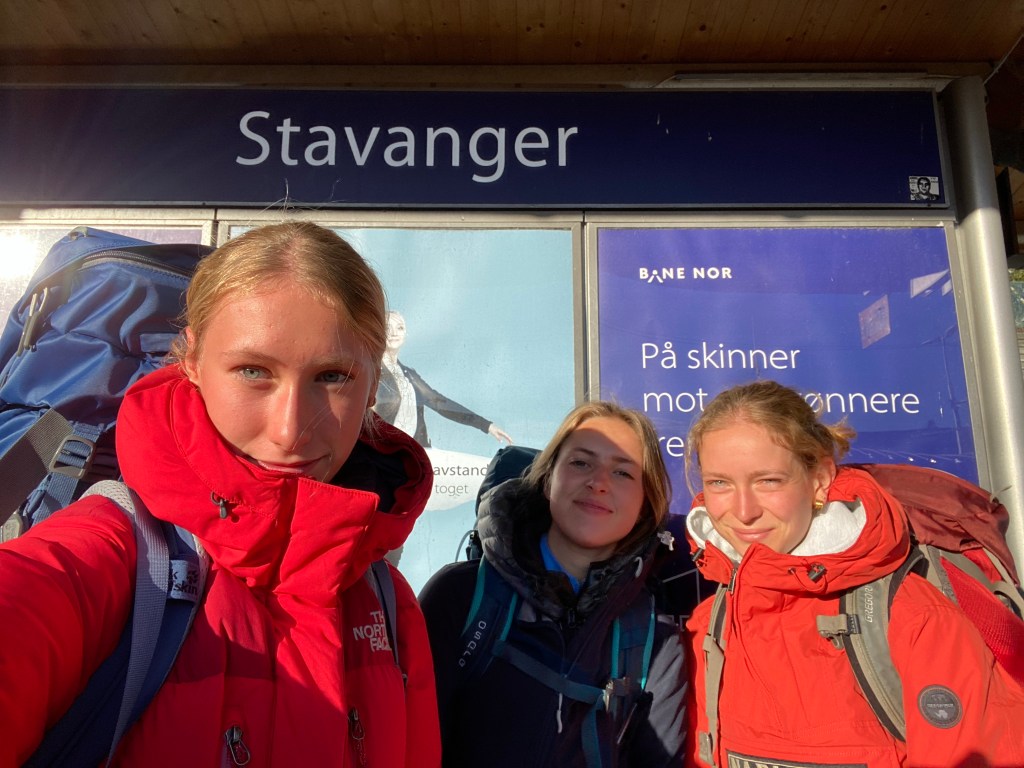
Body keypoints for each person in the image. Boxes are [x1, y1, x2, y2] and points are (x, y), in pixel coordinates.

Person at [0, 222, 441, 766]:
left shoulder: (388, 603)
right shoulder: (113, 553)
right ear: (191, 362)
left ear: (373, 384)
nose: (289, 431)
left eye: (332, 377)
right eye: (253, 371)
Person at [682, 379, 1024, 768]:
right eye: (720, 483)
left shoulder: (912, 616)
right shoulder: (710, 624)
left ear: (819, 480)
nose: (744, 512)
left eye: (768, 481)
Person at [419, 402, 687, 768]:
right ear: (547, 480)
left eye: (623, 472)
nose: (599, 483)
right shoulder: (460, 596)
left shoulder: (655, 638)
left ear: (645, 503)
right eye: (581, 463)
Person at [374, 310, 513, 448]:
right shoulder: (372, 373)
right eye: (387, 328)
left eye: (399, 328)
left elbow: (440, 403)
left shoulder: (409, 375)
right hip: (383, 451)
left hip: (413, 451)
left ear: (405, 333)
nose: (394, 333)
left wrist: (486, 425)